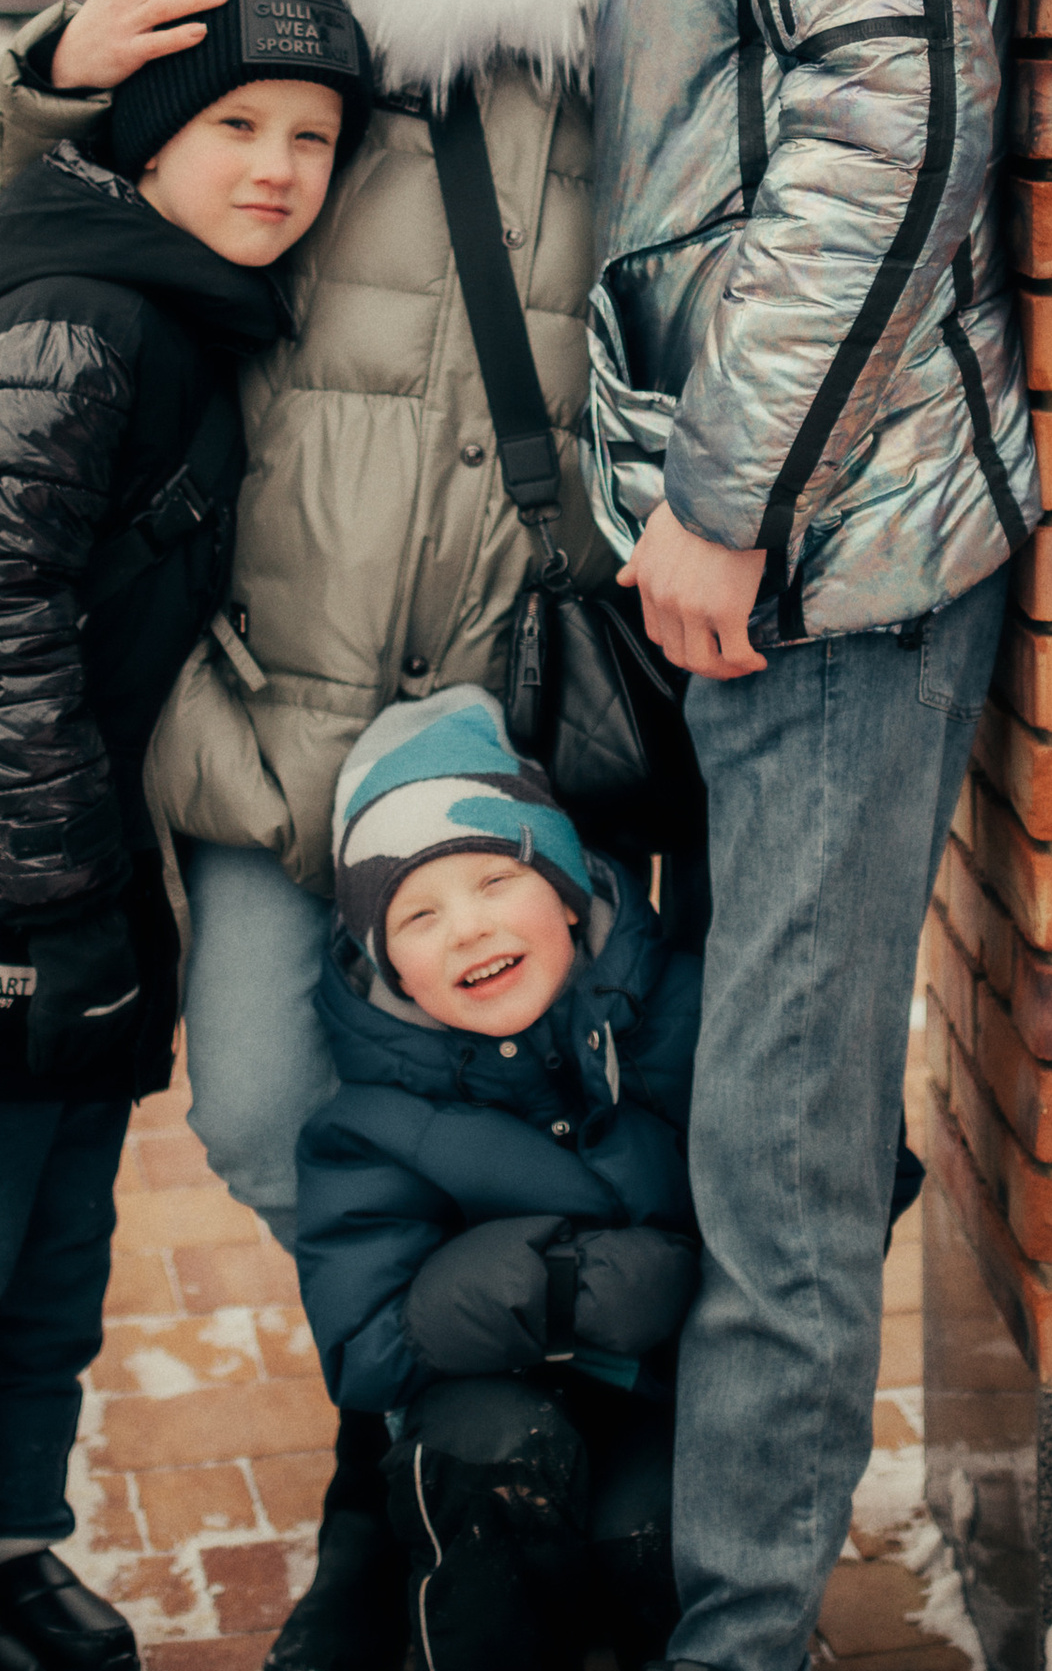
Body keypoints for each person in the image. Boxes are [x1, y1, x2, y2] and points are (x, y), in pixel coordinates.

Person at [0, 0, 631, 1668]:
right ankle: (424, 1421)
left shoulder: (629, 36)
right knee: (268, 1106)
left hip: (503, 728)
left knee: (520, 1093)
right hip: (267, 716)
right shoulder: (308, 12)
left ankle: (426, 1482)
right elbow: (87, 204)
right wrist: (48, 79)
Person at [527, 0, 1038, 1671]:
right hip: (735, 532)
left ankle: (734, 1641)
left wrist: (727, 496)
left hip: (817, 550)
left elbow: (890, 109)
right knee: (749, 1111)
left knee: (779, 1144)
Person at [0, 0, 371, 1671]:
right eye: (236, 128)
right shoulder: (86, 318)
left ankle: (8, 1544)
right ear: (145, 140)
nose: (277, 169)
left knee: (50, 1267)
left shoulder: (182, 306)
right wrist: (61, 905)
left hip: (76, 883)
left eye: (312, 137)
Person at [294, 686, 703, 1671]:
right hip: (484, 1404)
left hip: (663, 1396)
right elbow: (364, 1345)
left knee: (650, 1531)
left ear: (565, 891)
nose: (467, 929)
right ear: (389, 966)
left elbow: (834, 1179)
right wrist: (551, 1285)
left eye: (494, 879)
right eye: (417, 914)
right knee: (487, 1462)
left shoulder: (675, 1012)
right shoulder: (370, 1123)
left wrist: (684, 1271)